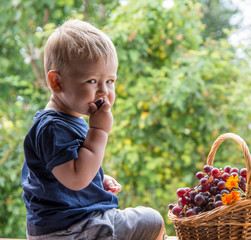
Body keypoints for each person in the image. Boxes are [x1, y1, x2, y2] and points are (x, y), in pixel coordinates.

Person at [21, 19, 165, 240]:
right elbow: (77, 179)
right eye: (91, 81)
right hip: (70, 230)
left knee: (145, 219)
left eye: (110, 81)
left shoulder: (63, 121)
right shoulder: (52, 127)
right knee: (152, 220)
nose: (104, 91)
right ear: (56, 82)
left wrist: (98, 179)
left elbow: (64, 175)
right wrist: (100, 131)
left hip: (73, 226)